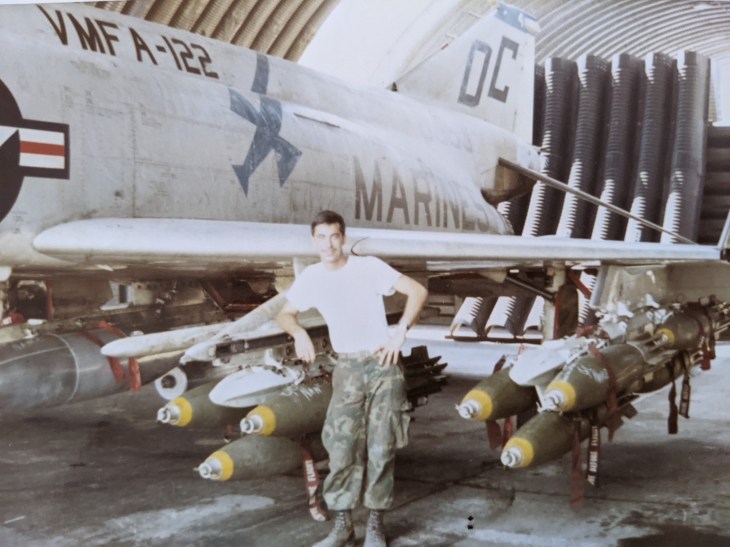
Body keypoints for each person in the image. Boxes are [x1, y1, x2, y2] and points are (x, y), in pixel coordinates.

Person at [277, 210, 428, 547]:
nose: (328, 244)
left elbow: (416, 291)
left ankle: (375, 525)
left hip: (382, 365)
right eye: (321, 237)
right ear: (313, 240)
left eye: (334, 236)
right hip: (346, 369)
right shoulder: (313, 277)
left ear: (343, 238)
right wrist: (299, 332)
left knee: (381, 447)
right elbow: (284, 315)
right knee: (341, 448)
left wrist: (400, 332)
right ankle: (343, 525)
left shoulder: (369, 267)